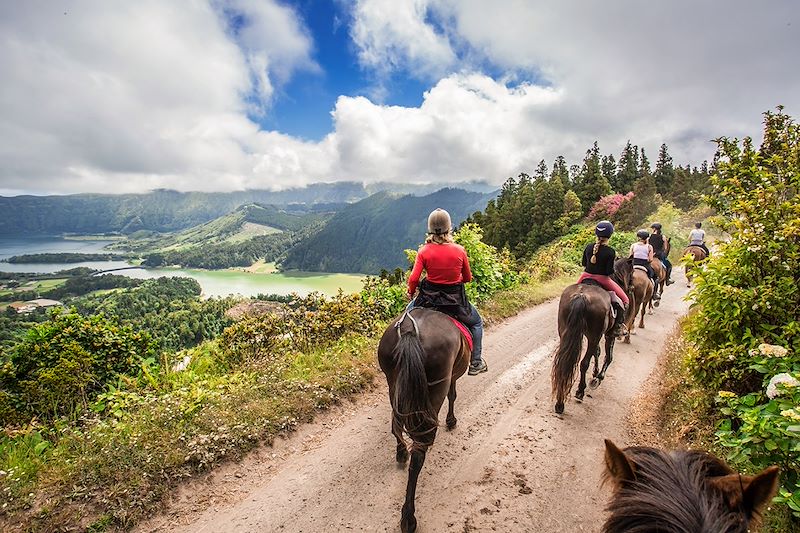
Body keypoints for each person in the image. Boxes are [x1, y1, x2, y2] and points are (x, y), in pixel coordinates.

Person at [407, 208, 487, 375]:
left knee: (405, 319)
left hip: (428, 300)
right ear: (449, 227)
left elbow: (414, 279)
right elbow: (467, 277)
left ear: (430, 229)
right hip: (455, 301)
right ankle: (476, 362)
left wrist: (411, 292)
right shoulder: (459, 250)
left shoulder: (423, 251)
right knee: (477, 323)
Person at [577, 220, 629, 336]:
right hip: (602, 279)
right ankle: (618, 326)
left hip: (585, 275)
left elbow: (584, 263)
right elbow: (608, 272)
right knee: (625, 300)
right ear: (610, 235)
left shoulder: (589, 247)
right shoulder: (610, 252)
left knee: (572, 293)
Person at [630, 229, 660, 299]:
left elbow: (630, 256)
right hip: (645, 265)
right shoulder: (649, 247)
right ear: (646, 238)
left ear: (638, 237)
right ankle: (655, 294)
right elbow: (650, 259)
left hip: (634, 264)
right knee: (655, 277)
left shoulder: (633, 245)